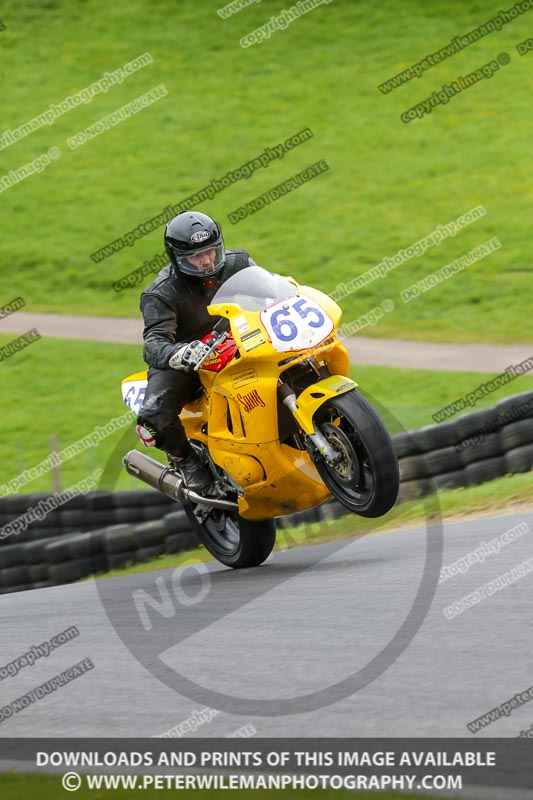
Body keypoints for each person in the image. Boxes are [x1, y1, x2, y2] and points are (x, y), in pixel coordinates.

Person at [136, 211, 257, 490]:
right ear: (177, 257)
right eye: (196, 256)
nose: (206, 261)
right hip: (191, 360)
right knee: (152, 417)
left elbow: (273, 291)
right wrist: (181, 353)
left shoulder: (239, 263)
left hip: (241, 340)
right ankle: (187, 460)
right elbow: (154, 344)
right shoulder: (160, 293)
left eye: (211, 252)